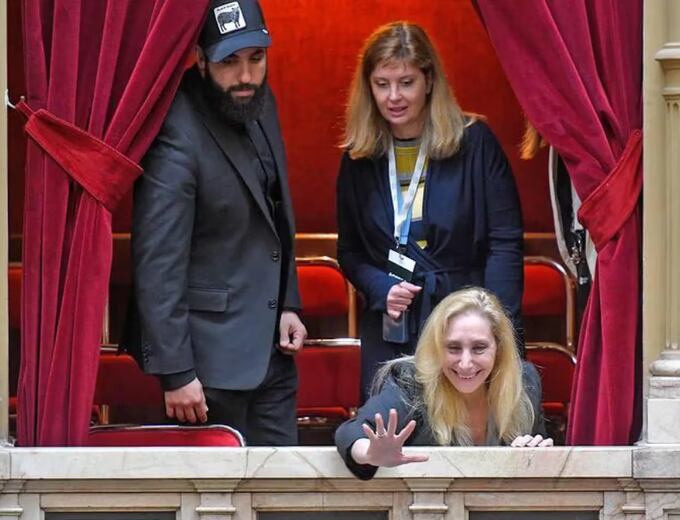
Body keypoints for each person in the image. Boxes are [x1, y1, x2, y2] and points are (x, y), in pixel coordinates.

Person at [125, 0, 306, 446]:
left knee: (284, 500)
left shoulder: (261, 102)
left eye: (256, 58)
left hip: (272, 354)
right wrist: (176, 372)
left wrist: (289, 301)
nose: (245, 76)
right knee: (215, 509)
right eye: (229, 61)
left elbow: (277, 213)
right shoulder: (175, 125)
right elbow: (157, 258)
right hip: (206, 368)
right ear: (201, 60)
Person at [336, 22, 524, 401]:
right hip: (393, 323)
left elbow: (504, 244)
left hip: (464, 327)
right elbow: (350, 251)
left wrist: (494, 328)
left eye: (406, 82)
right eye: (382, 83)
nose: (393, 96)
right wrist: (380, 288)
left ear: (429, 81)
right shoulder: (358, 156)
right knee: (390, 436)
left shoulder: (475, 142)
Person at [335, 287, 551, 480]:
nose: (465, 363)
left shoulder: (524, 380)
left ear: (499, 348)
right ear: (437, 347)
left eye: (479, 348)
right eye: (454, 348)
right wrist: (370, 454)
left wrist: (538, 454)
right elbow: (351, 433)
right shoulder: (411, 381)